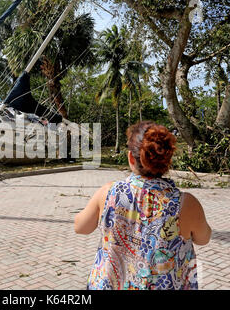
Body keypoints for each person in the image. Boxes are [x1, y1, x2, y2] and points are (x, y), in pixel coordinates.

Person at [75, 121, 211, 290]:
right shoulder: (186, 203)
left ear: (131, 157)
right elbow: (204, 238)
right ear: (167, 160)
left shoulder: (109, 193)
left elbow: (80, 227)